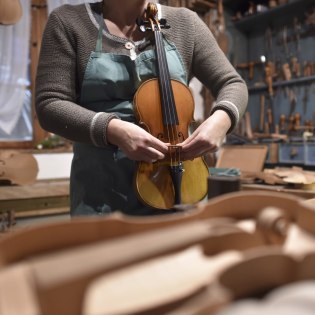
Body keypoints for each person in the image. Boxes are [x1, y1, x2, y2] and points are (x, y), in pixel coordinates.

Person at [35, 0, 248, 216]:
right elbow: (50, 104)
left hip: (177, 184)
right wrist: (113, 130)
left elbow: (232, 83)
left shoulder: (186, 22)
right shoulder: (68, 21)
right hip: (101, 193)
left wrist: (221, 120)